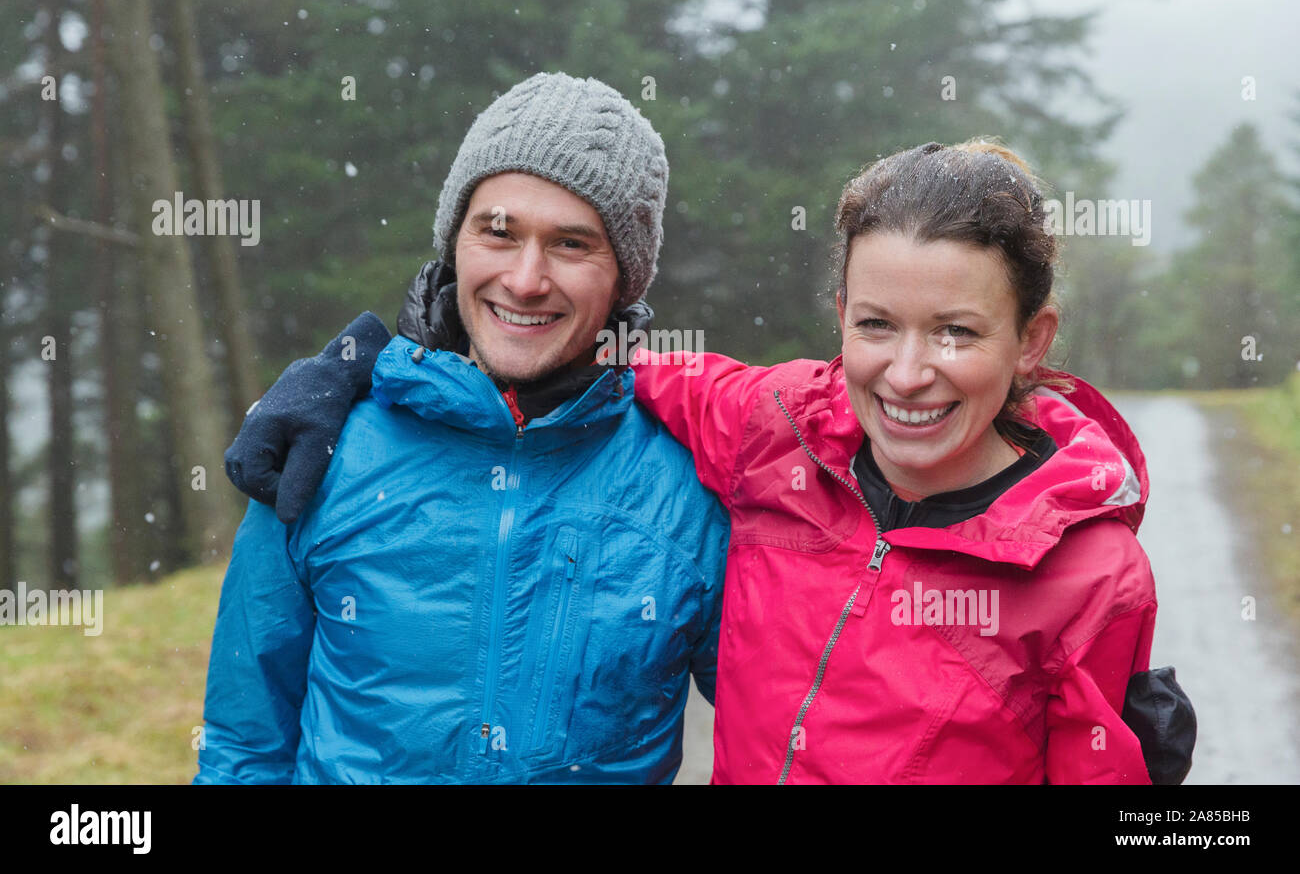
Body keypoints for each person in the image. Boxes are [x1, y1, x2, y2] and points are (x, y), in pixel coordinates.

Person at [227, 139, 1197, 783]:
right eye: (874, 324)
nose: (907, 372)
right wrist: (350, 364)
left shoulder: (1089, 570)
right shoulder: (768, 433)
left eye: (955, 330)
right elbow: (589, 350)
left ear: (1033, 339)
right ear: (838, 322)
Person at [194, 72, 730, 784]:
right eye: (498, 232)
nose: (526, 279)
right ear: (455, 243)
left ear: (625, 279)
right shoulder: (321, 452)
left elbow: (792, 743)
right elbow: (244, 749)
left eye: (572, 245)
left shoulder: (691, 488)